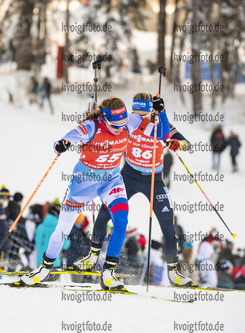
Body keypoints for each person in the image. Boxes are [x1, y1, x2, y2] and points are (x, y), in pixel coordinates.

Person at [21, 96, 162, 290]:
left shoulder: (129, 121)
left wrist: (159, 111)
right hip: (83, 185)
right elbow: (61, 142)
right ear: (104, 118)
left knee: (121, 222)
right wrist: (62, 145)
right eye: (114, 125)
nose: (120, 128)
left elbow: (159, 132)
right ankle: (44, 269)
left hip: (111, 182)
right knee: (62, 230)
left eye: (123, 124)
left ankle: (108, 274)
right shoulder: (90, 127)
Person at [71, 93, 193, 286]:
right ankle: (93, 257)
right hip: (128, 175)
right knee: (104, 215)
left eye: (141, 114)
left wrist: (175, 142)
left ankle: (173, 272)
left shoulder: (161, 125)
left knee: (168, 224)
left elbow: (185, 144)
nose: (137, 118)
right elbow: (100, 130)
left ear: (149, 111)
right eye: (134, 113)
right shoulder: (126, 125)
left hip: (154, 180)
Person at [34, 201, 70, 269]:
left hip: (40, 263)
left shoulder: (40, 227)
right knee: (53, 280)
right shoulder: (60, 228)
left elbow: (37, 242)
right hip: (54, 263)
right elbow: (66, 245)